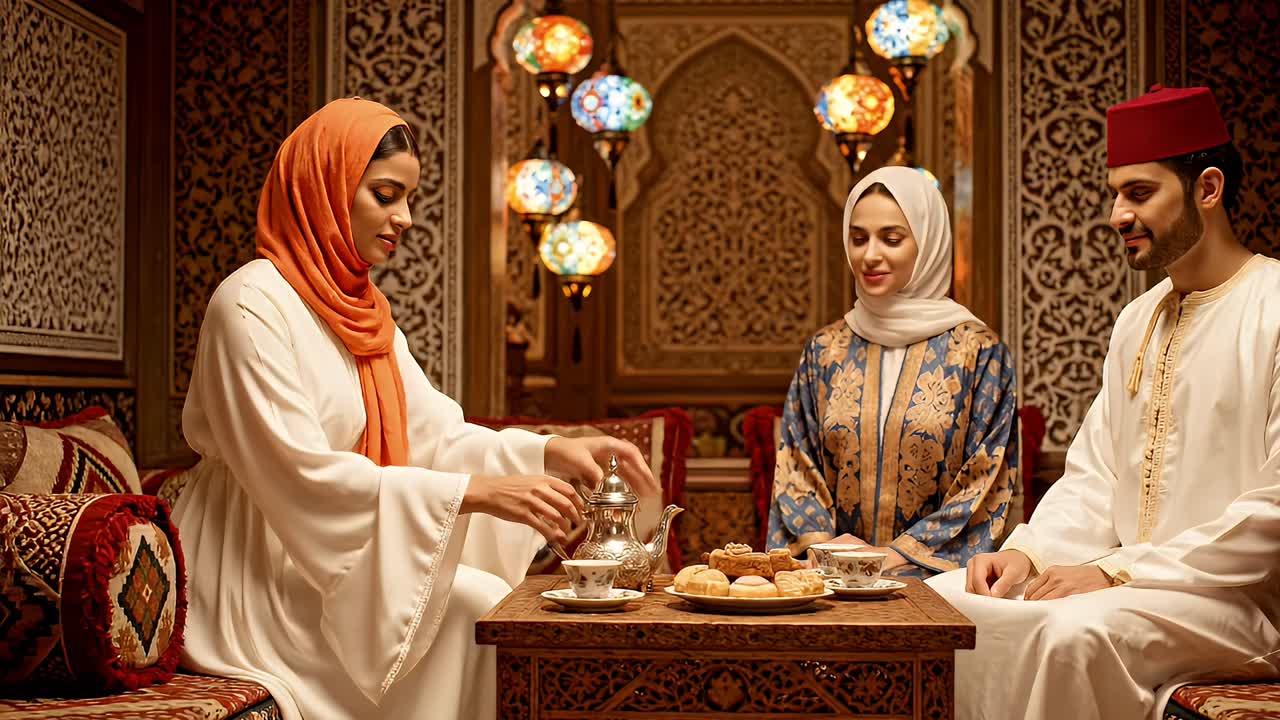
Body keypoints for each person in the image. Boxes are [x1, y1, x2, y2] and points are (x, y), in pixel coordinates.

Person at [172, 98, 657, 720]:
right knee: (477, 603)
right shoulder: (248, 305)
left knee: (488, 602)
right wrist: (473, 495)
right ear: (325, 187)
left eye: (409, 199)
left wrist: (550, 450)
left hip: (331, 545)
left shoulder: (363, 310)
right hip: (251, 568)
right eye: (384, 193)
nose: (403, 217)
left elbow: (435, 435)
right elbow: (297, 475)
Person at [927, 85, 1280, 719]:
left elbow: (1274, 511)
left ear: (1207, 188)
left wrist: (1119, 572)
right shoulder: (1137, 319)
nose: (1117, 214)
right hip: (1135, 590)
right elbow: (1094, 478)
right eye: (1115, 194)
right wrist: (1028, 553)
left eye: (1139, 193)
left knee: (1071, 635)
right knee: (945, 605)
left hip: (1242, 606)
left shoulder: (1274, 306)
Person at [767, 166, 1019, 578]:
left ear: (928, 242)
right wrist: (829, 551)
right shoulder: (826, 351)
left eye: (892, 238)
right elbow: (797, 468)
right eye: (859, 238)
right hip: (830, 584)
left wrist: (891, 558)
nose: (870, 255)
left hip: (937, 587)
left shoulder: (978, 353)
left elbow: (985, 484)